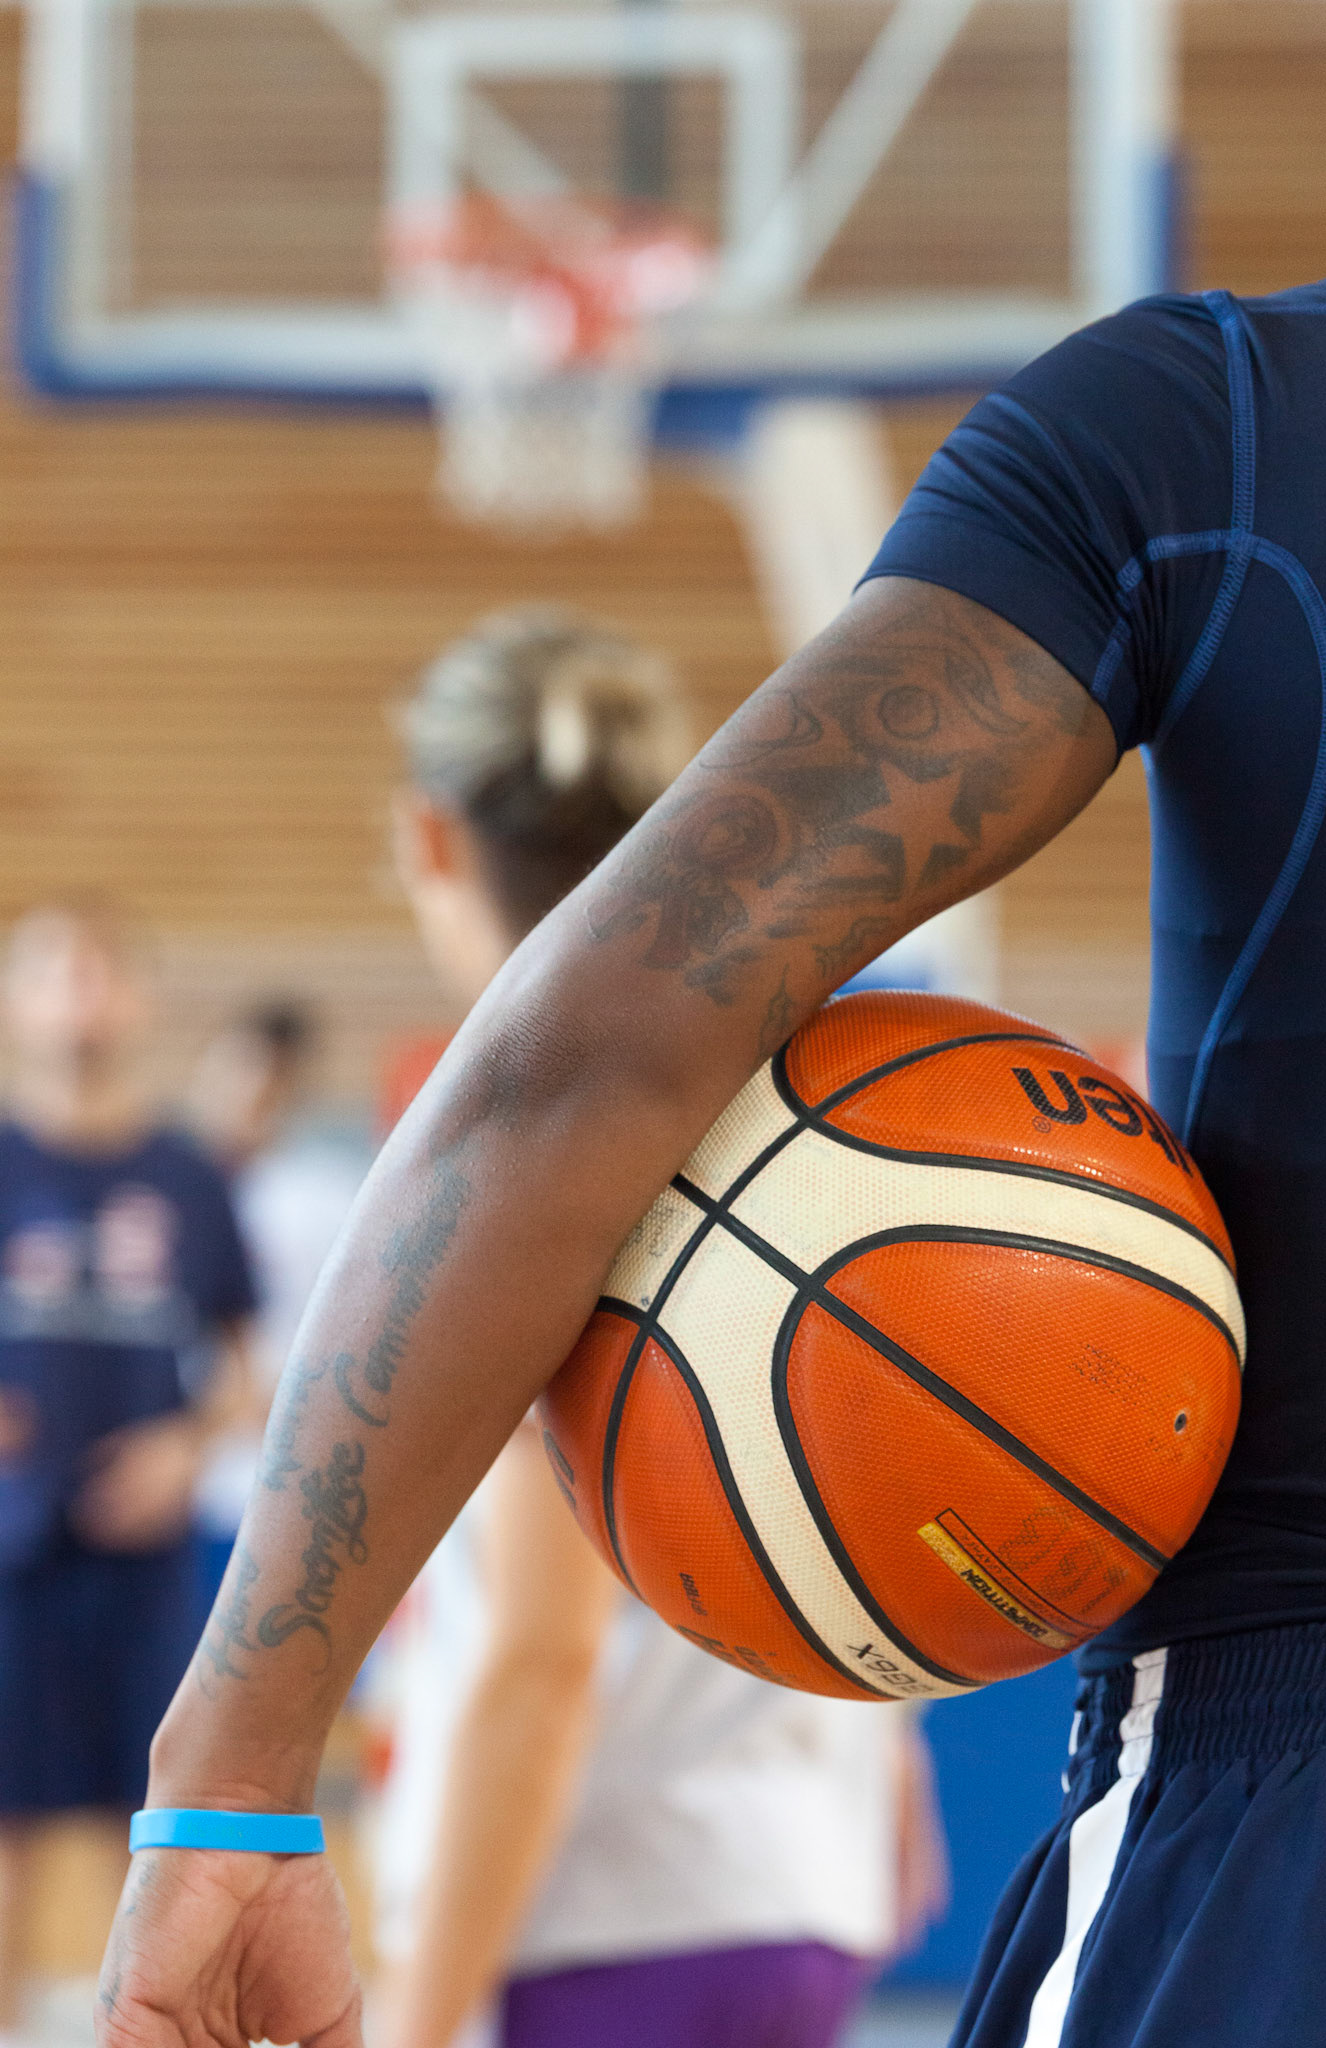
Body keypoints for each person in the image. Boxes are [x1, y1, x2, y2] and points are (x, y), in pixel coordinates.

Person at [96, 273, 1326, 2048]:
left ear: (429, 837)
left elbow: (586, 1057)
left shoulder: (1235, 419)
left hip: (1293, 1791)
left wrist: (228, 1778)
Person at [364, 609, 946, 2048]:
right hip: (789, 1876)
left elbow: (546, 1659)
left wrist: (416, 2021)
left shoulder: (525, 1156)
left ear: (426, 840)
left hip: (598, 1924)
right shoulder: (778, 1098)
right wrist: (892, 1764)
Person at [0, 901, 257, 2048]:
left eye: (101, 970)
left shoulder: (186, 1173)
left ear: (139, 998)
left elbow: (255, 1376)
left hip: (147, 1560)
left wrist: (182, 1444)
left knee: (145, 1833)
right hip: (12, 1551)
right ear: (15, 1001)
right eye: (54, 972)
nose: (81, 994)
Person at [187, 1003, 370, 1596]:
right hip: (182, 1481)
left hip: (278, 1478)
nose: (247, 1094)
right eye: (235, 1072)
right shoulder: (171, 1192)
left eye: (266, 1079)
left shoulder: (325, 1200)